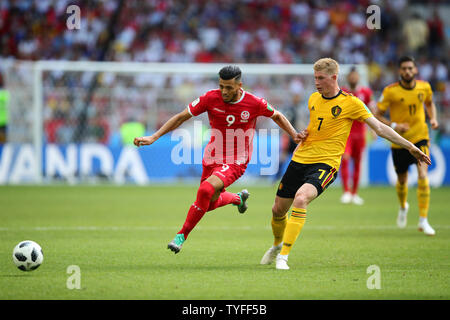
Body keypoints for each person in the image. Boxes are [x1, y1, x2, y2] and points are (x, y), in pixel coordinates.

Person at [260, 58, 431, 270]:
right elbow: (316, 127)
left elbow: (379, 128)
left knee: (301, 198)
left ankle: (283, 256)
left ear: (334, 77)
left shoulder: (351, 103)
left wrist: (410, 146)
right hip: (300, 159)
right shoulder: (313, 99)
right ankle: (276, 245)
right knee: (277, 210)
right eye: (315, 78)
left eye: (321, 78)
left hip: (326, 164)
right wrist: (304, 133)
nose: (317, 82)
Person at [134, 65, 305, 254]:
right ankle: (237, 198)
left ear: (240, 85)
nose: (224, 91)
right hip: (212, 156)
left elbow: (278, 116)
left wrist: (294, 134)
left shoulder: (254, 103)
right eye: (221, 86)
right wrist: (154, 137)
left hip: (236, 160)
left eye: (229, 87)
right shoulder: (210, 98)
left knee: (206, 189)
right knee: (207, 202)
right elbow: (181, 117)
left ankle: (181, 236)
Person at [375, 56, 439, 236]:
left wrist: (432, 118)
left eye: (410, 68)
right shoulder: (390, 91)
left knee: (422, 174)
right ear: (399, 71)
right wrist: (394, 125)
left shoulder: (424, 87)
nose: (407, 71)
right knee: (402, 180)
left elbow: (429, 103)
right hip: (399, 142)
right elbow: (376, 114)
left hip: (420, 138)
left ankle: (423, 220)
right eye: (404, 68)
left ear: (415, 70)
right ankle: (403, 206)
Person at [340, 67, 376, 205]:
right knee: (345, 158)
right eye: (351, 76)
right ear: (348, 77)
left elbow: (372, 111)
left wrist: (373, 130)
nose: (353, 78)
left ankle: (355, 193)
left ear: (358, 77)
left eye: (355, 76)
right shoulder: (343, 92)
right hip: (346, 133)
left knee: (357, 163)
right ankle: (346, 192)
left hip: (361, 133)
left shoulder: (366, 92)